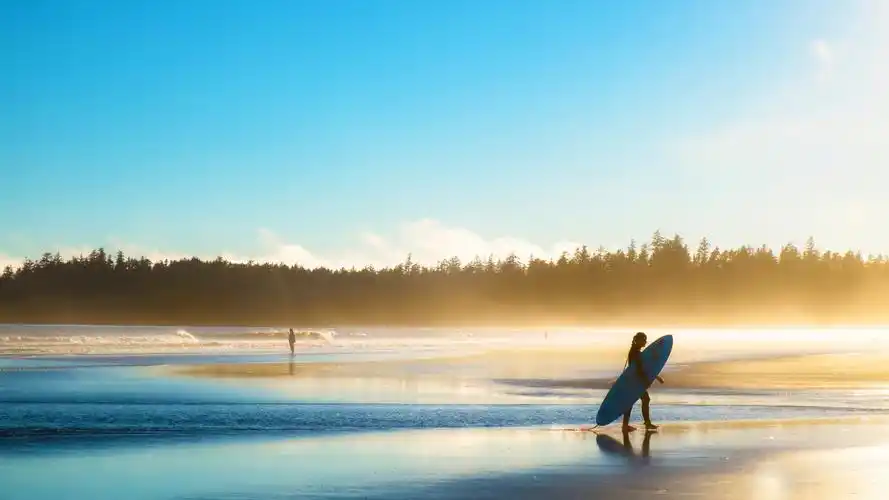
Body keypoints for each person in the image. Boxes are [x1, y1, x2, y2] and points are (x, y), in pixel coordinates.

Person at [622, 331, 664, 431]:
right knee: (643, 399)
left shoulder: (635, 351)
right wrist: (645, 380)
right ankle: (645, 424)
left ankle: (627, 425)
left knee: (637, 400)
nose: (645, 341)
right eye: (644, 339)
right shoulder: (635, 353)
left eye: (645, 339)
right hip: (635, 381)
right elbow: (639, 369)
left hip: (634, 380)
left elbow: (645, 367)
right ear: (638, 341)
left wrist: (656, 377)